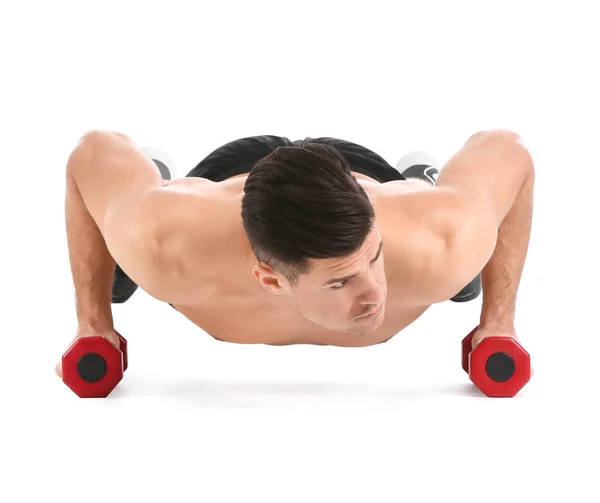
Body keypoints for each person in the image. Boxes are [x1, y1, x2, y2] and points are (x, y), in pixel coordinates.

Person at [56, 130, 534, 376]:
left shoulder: (442, 240)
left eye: (374, 258)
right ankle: (156, 171)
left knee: (465, 283)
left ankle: (418, 177)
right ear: (269, 279)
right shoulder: (161, 242)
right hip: (230, 179)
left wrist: (499, 324)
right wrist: (93, 324)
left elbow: (507, 150)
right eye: (340, 281)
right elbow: (92, 152)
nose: (376, 295)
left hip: (355, 174)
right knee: (121, 278)